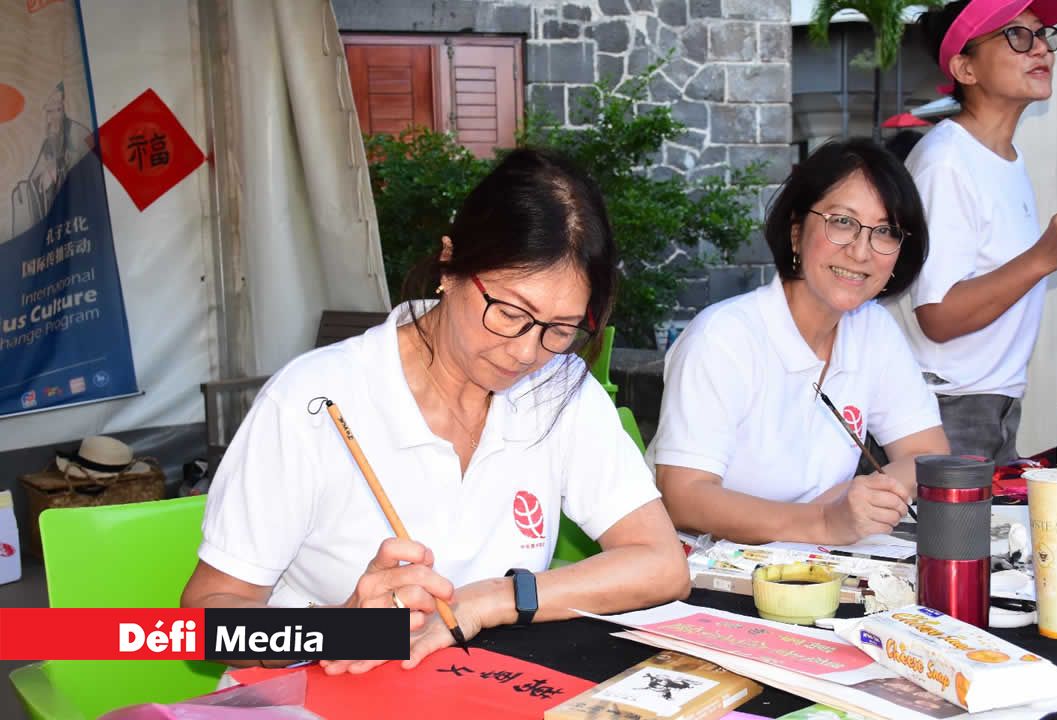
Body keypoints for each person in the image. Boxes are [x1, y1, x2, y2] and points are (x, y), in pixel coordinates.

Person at [182, 149, 690, 674]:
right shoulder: (316, 399)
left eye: (560, 329)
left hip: (471, 690)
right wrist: (334, 629)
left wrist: (490, 600)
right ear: (451, 263)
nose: (525, 352)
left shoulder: (557, 388)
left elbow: (660, 563)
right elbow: (203, 622)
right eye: (511, 312)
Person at [648, 138, 950, 546]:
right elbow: (683, 496)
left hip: (817, 567)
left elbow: (928, 454)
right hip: (706, 572)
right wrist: (822, 521)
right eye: (842, 222)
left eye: (885, 231)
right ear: (796, 233)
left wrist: (849, 502)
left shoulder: (874, 330)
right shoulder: (723, 337)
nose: (861, 251)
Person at [902, 0, 1057, 463]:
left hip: (992, 403)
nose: (1040, 50)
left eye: (1043, 35)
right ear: (965, 68)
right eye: (1017, 36)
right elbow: (939, 316)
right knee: (953, 538)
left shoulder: (1004, 159)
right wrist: (1043, 256)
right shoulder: (945, 163)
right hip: (948, 409)